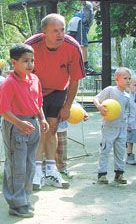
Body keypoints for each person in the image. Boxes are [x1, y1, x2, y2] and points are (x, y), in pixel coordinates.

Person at [25, 13, 85, 190]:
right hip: (33, 91)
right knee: (36, 129)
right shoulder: (30, 46)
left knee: (51, 129)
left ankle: (51, 170)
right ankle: (36, 170)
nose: (60, 34)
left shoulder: (73, 47)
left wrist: (67, 106)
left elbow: (75, 79)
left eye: (62, 30)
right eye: (55, 31)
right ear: (44, 32)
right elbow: (20, 74)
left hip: (59, 90)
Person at [0, 43, 49, 218]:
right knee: (16, 165)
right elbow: (3, 110)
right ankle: (15, 203)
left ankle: (25, 199)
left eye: (32, 60)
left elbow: (38, 102)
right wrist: (19, 124)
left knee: (29, 164)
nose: (30, 64)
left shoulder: (35, 79)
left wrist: (42, 119)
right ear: (14, 62)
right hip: (16, 125)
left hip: (32, 124)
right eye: (25, 61)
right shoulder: (9, 83)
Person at [93, 67, 131, 184]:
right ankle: (102, 174)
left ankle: (119, 174)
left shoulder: (127, 96)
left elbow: (127, 112)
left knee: (120, 151)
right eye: (125, 78)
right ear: (116, 79)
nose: (128, 81)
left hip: (122, 128)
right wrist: (99, 107)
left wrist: (128, 124)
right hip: (109, 127)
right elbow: (96, 98)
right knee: (105, 150)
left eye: (129, 78)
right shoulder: (110, 90)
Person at [67, 0, 100, 75]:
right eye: (96, 1)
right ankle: (85, 65)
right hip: (80, 24)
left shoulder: (92, 10)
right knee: (83, 45)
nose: (97, 4)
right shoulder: (88, 5)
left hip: (78, 25)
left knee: (77, 44)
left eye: (98, 2)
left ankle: (74, 62)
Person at [126, 76, 136, 165]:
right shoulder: (128, 98)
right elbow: (126, 112)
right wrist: (126, 124)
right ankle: (129, 155)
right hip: (131, 124)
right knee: (130, 140)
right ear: (129, 86)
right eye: (135, 85)